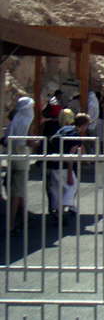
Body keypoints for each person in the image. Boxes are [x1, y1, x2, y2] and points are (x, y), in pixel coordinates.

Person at [47, 112, 91, 222]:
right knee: (72, 186)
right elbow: (70, 156)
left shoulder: (65, 129)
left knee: (57, 189)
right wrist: (70, 173)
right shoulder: (75, 137)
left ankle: (56, 211)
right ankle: (61, 211)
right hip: (64, 166)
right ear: (84, 125)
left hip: (54, 163)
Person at [5, 96, 35, 235]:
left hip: (12, 157)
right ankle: (11, 224)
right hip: (22, 158)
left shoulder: (14, 121)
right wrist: (37, 143)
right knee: (17, 192)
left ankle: (24, 219)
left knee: (19, 190)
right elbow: (29, 141)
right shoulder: (26, 121)